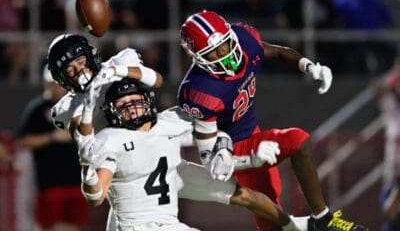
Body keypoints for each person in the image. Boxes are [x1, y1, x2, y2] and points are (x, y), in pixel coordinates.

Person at [47, 35, 311, 230]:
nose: (78, 70)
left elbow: (156, 80)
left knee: (240, 193)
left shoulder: (122, 64)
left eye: (80, 61)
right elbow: (83, 140)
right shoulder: (69, 109)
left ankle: (294, 226)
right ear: (61, 79)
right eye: (69, 69)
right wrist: (89, 103)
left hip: (158, 148)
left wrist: (116, 72)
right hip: (126, 171)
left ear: (91, 55)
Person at [178, 10, 367, 231]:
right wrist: (252, 159)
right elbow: (213, 162)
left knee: (272, 221)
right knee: (298, 141)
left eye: (226, 44)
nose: (224, 54)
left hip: (254, 134)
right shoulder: (200, 92)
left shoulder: (244, 40)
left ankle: (321, 220)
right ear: (197, 57)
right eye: (213, 52)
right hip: (234, 149)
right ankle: (323, 219)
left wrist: (309, 66)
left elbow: (277, 52)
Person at [77, 77, 310, 231]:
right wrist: (88, 173)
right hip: (139, 222)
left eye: (135, 100)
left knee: (244, 194)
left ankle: (292, 226)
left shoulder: (171, 121)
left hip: (173, 181)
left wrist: (248, 157)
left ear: (147, 101)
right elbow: (96, 196)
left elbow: (214, 137)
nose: (130, 106)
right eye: (123, 103)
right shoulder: (110, 139)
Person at [15, 65, 88, 231]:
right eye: (52, 83)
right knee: (45, 225)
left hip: (76, 181)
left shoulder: (77, 106)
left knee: (71, 225)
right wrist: (51, 137)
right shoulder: (37, 109)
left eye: (58, 83)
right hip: (49, 182)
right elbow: (23, 140)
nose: (56, 87)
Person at [375, 57, 400, 230]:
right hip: (393, 174)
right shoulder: (393, 111)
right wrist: (394, 77)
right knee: (389, 213)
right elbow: (378, 88)